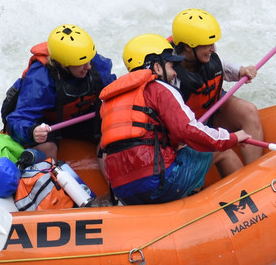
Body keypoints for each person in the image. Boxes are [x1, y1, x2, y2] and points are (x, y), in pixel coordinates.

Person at [97, 34, 251, 205]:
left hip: (122, 191)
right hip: (158, 184)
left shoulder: (110, 100)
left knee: (181, 151)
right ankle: (251, 201)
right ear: (157, 67)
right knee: (222, 150)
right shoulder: (158, 88)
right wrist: (232, 138)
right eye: (171, 66)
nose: (175, 73)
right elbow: (187, 130)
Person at [2, 24, 116, 160]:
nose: (89, 66)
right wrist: (32, 131)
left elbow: (114, 91)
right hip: (48, 125)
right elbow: (18, 119)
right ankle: (49, 177)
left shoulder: (91, 61)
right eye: (81, 64)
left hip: (81, 117)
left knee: (114, 133)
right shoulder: (40, 80)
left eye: (89, 60)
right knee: (46, 147)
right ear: (64, 63)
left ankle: (113, 179)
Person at [171, 8, 265, 170]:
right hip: (190, 132)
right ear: (187, 47)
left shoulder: (204, 56)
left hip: (212, 115)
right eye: (207, 45)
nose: (213, 48)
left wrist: (240, 71)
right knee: (222, 152)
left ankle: (255, 172)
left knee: (249, 110)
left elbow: (220, 66)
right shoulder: (170, 74)